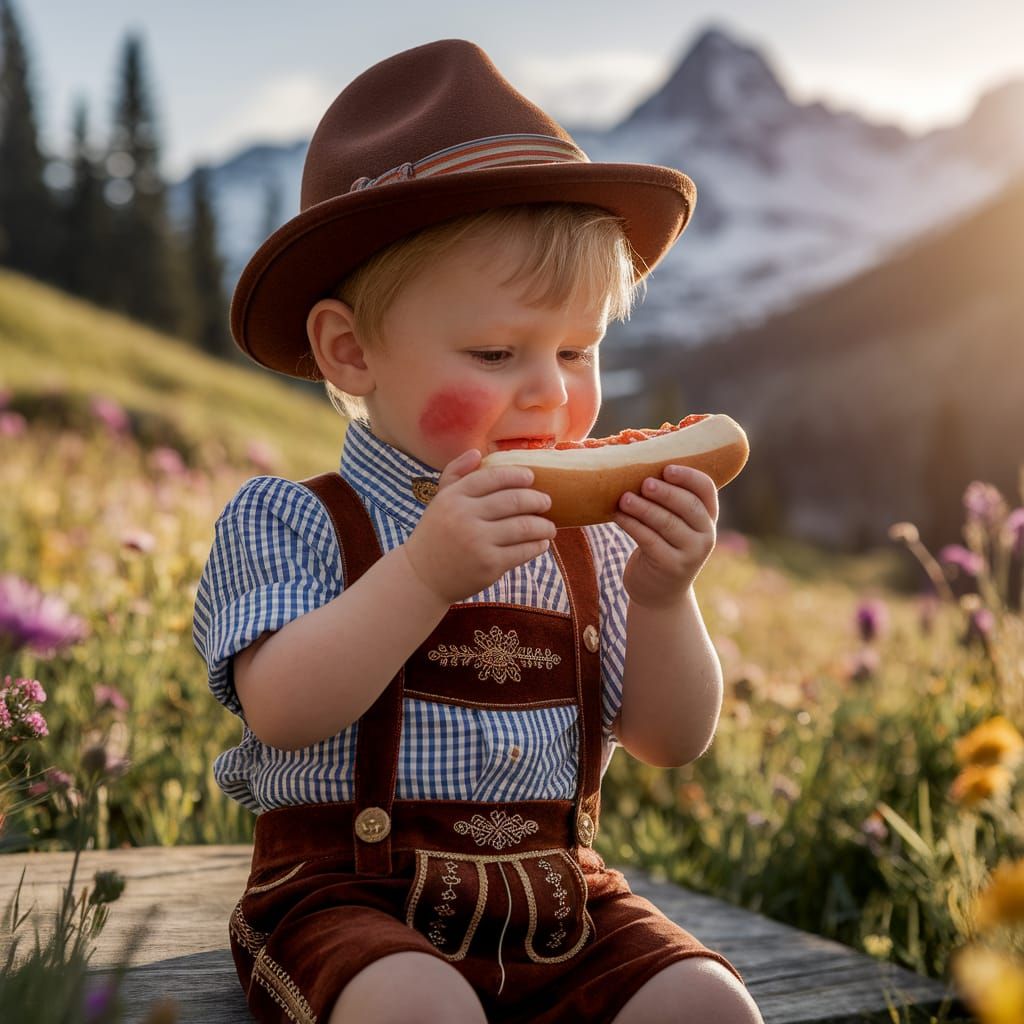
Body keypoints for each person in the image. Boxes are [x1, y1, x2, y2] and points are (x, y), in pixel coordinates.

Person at [193, 38, 763, 1024]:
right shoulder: (291, 518)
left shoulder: (601, 545)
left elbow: (672, 740)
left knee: (710, 1003)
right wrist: (422, 573)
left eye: (578, 350)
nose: (548, 391)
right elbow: (280, 708)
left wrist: (666, 596)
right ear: (352, 349)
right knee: (416, 1006)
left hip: (560, 898)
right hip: (344, 899)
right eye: (496, 352)